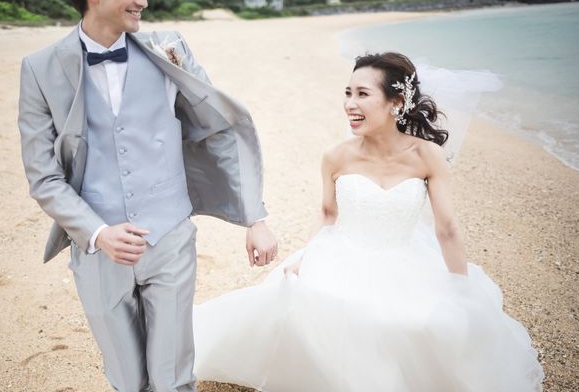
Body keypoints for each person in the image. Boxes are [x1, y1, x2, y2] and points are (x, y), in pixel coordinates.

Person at [192, 52, 544, 391]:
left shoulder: (427, 155)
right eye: (348, 93)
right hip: (343, 254)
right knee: (311, 306)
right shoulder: (336, 156)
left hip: (407, 260)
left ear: (396, 102)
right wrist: (307, 257)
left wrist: (461, 289)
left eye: (362, 94)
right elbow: (328, 214)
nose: (350, 104)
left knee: (429, 324)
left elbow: (447, 229)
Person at [17, 0, 277, 391]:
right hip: (97, 252)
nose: (144, 0)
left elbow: (218, 129)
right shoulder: (39, 69)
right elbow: (44, 178)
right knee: (127, 380)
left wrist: (254, 217)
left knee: (173, 378)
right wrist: (98, 233)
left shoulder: (169, 48)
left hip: (170, 236)